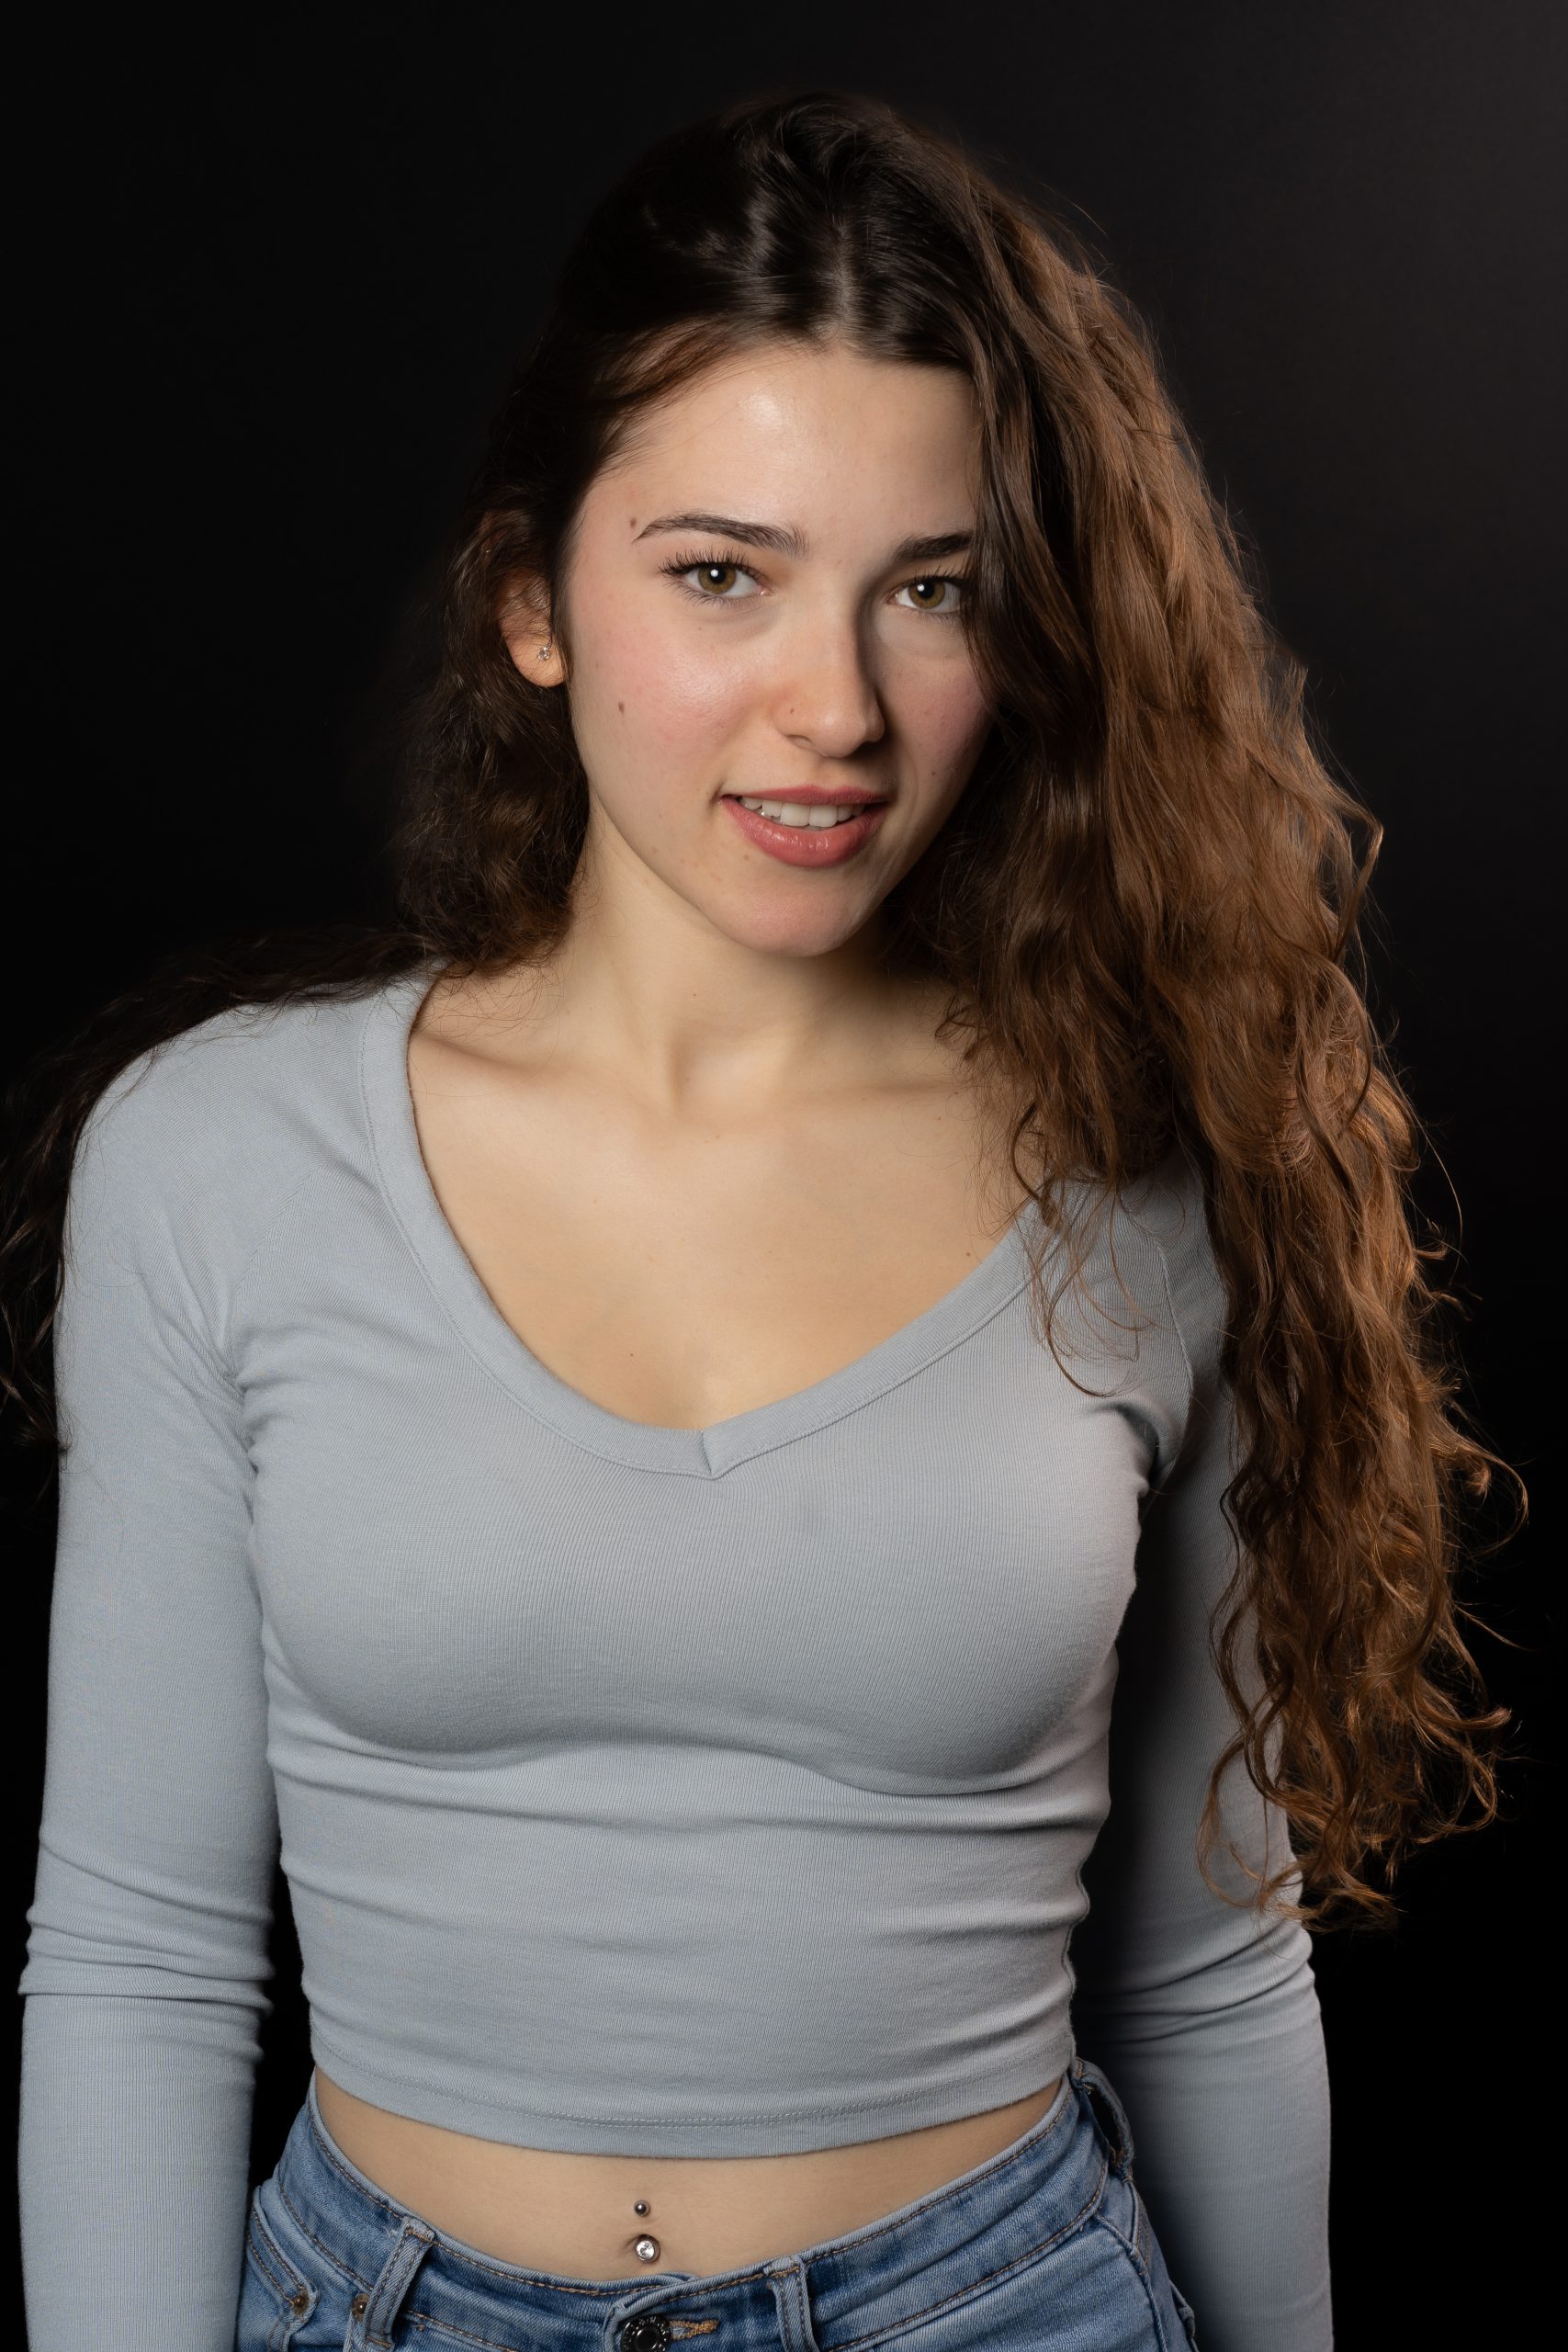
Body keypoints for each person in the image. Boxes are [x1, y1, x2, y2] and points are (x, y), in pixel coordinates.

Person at [11, 87, 1515, 2352]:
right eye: (720, 573)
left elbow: (1206, 1966)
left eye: (931, 591)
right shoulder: (216, 1161)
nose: (833, 708)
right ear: (531, 600)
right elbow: (137, 1950)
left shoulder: (1145, 1168)